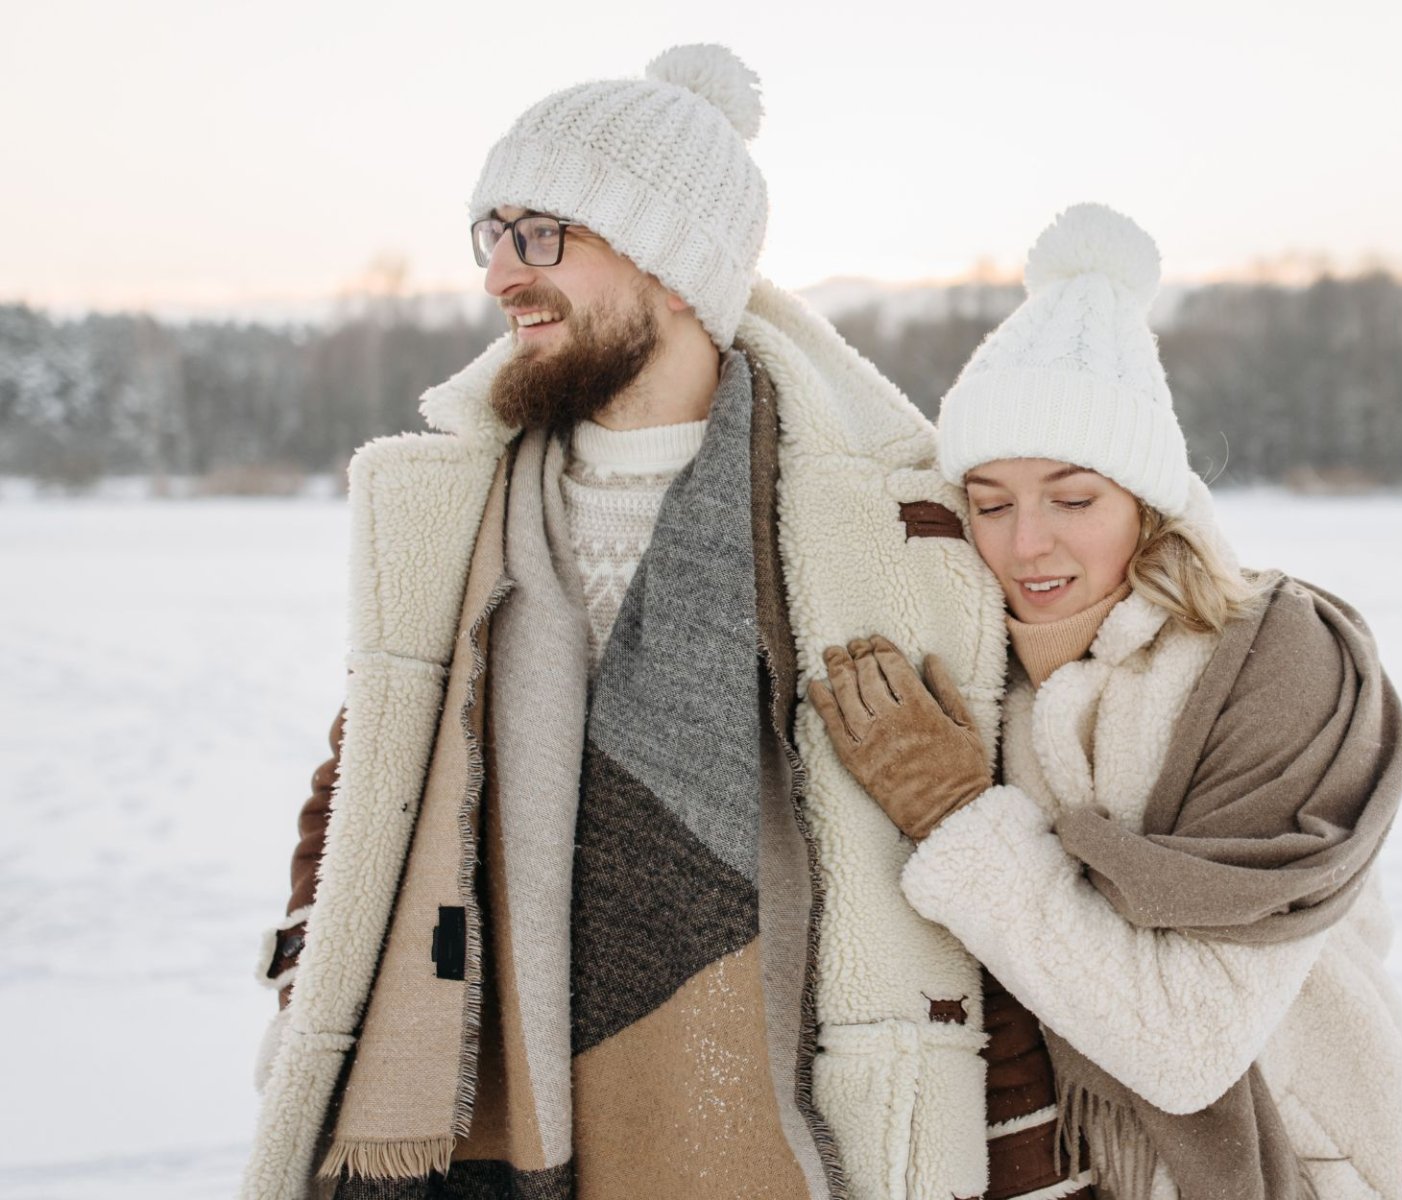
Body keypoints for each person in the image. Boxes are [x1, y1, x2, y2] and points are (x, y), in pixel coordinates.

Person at [243, 46, 1017, 1200]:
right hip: (472, 1110)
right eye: (490, 234)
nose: (499, 275)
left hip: (787, 1123)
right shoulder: (457, 506)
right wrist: (311, 965)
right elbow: (367, 770)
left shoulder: (879, 526)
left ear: (673, 265)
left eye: (540, 234)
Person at [806, 205, 1402, 1199]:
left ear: (1148, 504)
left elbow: (1188, 1042)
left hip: (1302, 1164)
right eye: (990, 502)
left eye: (1073, 499)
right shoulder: (979, 669)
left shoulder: (1278, 662)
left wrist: (955, 814)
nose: (1026, 545)